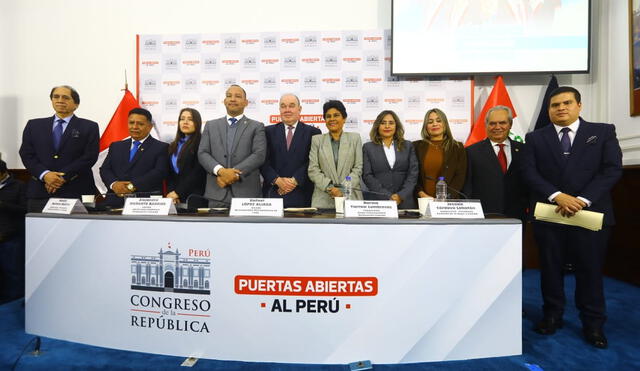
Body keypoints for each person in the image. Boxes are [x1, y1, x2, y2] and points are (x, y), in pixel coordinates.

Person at [522, 86, 622, 349]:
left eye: (567, 103)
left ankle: (593, 324)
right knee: (550, 269)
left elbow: (611, 170)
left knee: (590, 271)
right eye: (555, 105)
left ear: (579, 105)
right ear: (549, 110)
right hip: (550, 212)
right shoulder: (535, 138)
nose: (561, 108)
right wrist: (557, 196)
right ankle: (552, 316)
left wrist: (582, 201)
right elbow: (529, 173)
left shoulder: (602, 132)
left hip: (589, 215)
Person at [19, 85, 99, 212]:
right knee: (39, 230)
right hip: (40, 191)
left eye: (65, 97)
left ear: (76, 104)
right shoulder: (34, 125)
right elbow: (26, 154)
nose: (60, 100)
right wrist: (45, 175)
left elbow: (90, 156)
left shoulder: (89, 127)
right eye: (56, 97)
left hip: (77, 189)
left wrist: (61, 178)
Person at [198, 85, 266, 207]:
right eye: (229, 96)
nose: (232, 99)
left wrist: (233, 174)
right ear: (224, 101)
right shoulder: (210, 125)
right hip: (216, 195)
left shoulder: (257, 126)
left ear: (246, 103)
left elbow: (259, 155)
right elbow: (202, 153)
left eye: (238, 96)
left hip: (247, 195)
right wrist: (221, 171)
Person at [463, 105, 527, 219]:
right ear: (486, 125)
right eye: (492, 123)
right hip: (483, 216)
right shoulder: (471, 152)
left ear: (510, 124)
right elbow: (467, 187)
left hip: (517, 216)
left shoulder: (524, 150)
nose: (497, 127)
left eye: (502, 123)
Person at [260, 94, 321, 207]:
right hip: (273, 193)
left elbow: (313, 162)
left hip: (302, 194)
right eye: (283, 106)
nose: (287, 110)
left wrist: (294, 181)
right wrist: (277, 180)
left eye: (291, 106)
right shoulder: (267, 132)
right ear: (279, 110)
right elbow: (262, 160)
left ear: (300, 109)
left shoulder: (313, 133)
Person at [100, 108, 169, 207]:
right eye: (131, 123)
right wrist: (114, 184)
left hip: (144, 204)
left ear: (150, 127)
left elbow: (159, 172)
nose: (135, 127)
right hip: (114, 201)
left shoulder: (161, 147)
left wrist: (131, 186)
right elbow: (105, 169)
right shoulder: (116, 146)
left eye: (140, 124)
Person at [308, 100, 363, 209]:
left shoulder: (355, 138)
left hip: (350, 199)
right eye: (328, 116)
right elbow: (313, 169)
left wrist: (342, 189)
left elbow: (358, 168)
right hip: (323, 201)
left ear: (344, 118)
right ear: (325, 120)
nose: (332, 119)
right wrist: (330, 188)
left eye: (336, 115)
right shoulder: (317, 140)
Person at [362, 110, 419, 209]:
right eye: (383, 123)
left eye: (391, 123)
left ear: (396, 126)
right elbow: (367, 175)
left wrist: (401, 195)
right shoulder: (368, 147)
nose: (387, 126)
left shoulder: (408, 145)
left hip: (405, 202)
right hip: (379, 203)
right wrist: (387, 196)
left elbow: (413, 174)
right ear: (377, 126)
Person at [414, 108, 466, 199]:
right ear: (425, 126)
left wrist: (445, 198)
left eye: (439, 120)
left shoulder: (457, 147)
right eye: (430, 122)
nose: (435, 124)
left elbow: (460, 177)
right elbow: (412, 175)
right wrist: (421, 194)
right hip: (422, 201)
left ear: (445, 124)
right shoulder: (416, 147)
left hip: (448, 203)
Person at [166, 108, 206, 208]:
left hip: (194, 198)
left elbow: (197, 173)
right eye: (182, 119)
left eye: (190, 119)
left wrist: (178, 192)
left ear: (197, 123)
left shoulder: (202, 143)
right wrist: (172, 193)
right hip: (174, 199)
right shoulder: (172, 145)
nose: (185, 122)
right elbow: (170, 174)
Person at [0, 159, 26, 304]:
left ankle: (14, 302)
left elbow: (25, 209)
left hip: (11, 237)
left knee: (13, 272)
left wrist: (3, 205)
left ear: (3, 174)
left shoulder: (19, 186)